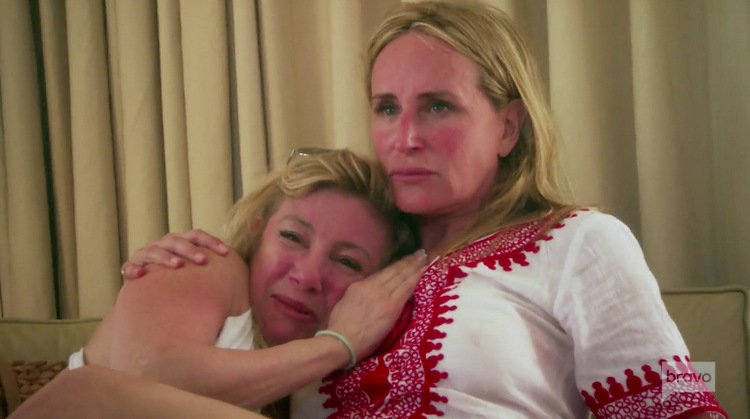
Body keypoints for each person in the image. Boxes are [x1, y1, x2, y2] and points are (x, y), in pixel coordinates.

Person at [30, 2, 728, 418]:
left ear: (509, 126)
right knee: (80, 399)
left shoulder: (578, 241)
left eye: (439, 106)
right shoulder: (359, 260)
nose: (406, 137)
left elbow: (674, 410)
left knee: (79, 400)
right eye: (387, 107)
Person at [14, 149, 426, 418]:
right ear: (258, 231)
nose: (306, 276)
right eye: (292, 237)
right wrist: (335, 346)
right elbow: (140, 385)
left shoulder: (330, 380)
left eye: (347, 262)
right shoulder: (204, 264)